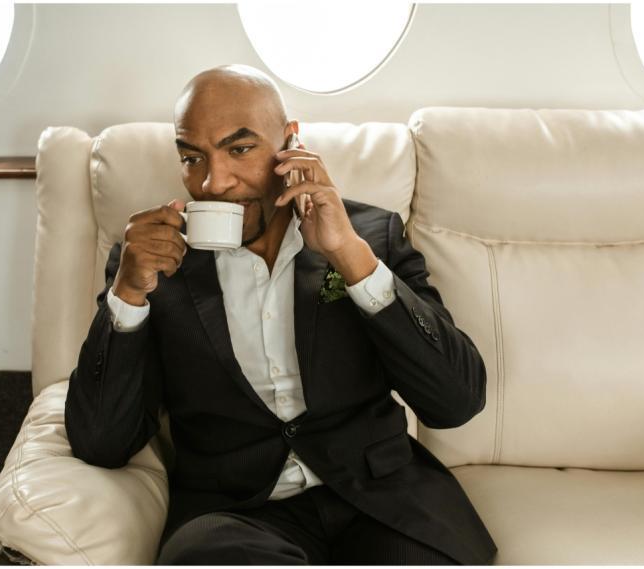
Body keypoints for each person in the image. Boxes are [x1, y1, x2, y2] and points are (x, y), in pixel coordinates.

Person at [64, 64, 498, 565]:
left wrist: (350, 259)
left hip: (383, 502)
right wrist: (128, 296)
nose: (213, 182)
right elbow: (100, 442)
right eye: (192, 158)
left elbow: (457, 401)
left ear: (291, 142)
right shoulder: (151, 265)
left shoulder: (370, 237)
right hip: (238, 514)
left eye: (240, 149)